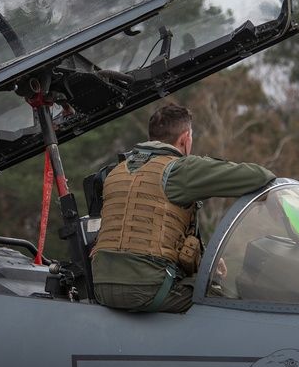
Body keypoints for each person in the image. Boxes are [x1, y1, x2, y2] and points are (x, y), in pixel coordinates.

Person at [91, 103, 274, 313]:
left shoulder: (115, 172)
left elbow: (149, 225)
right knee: (227, 300)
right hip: (147, 290)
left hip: (102, 287)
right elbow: (258, 176)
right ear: (185, 139)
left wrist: (205, 259)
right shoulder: (180, 169)